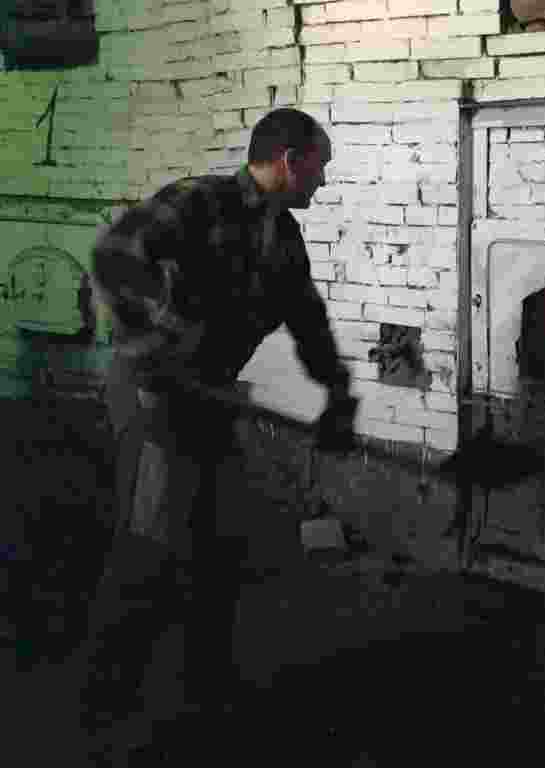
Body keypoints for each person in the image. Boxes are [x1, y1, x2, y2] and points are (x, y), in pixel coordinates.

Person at [77, 107, 358, 762]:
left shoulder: (282, 237)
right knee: (149, 549)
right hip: (153, 394)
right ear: (290, 160)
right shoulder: (197, 203)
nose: (322, 181)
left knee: (217, 550)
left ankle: (206, 697)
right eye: (319, 167)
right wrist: (160, 340)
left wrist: (338, 392)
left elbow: (307, 319)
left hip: (206, 400)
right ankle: (100, 712)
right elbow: (112, 255)